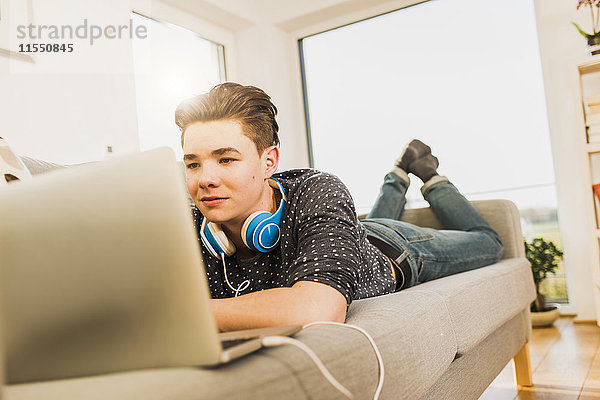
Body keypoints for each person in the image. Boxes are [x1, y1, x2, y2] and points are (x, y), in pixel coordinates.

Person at [175, 82, 503, 332]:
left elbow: (319, 310)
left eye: (226, 159)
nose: (206, 179)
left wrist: (182, 314)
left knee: (489, 242)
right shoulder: (187, 225)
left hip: (393, 248)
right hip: (351, 236)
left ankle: (428, 175)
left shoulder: (317, 189)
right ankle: (399, 173)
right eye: (193, 164)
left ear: (268, 161)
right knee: (363, 228)